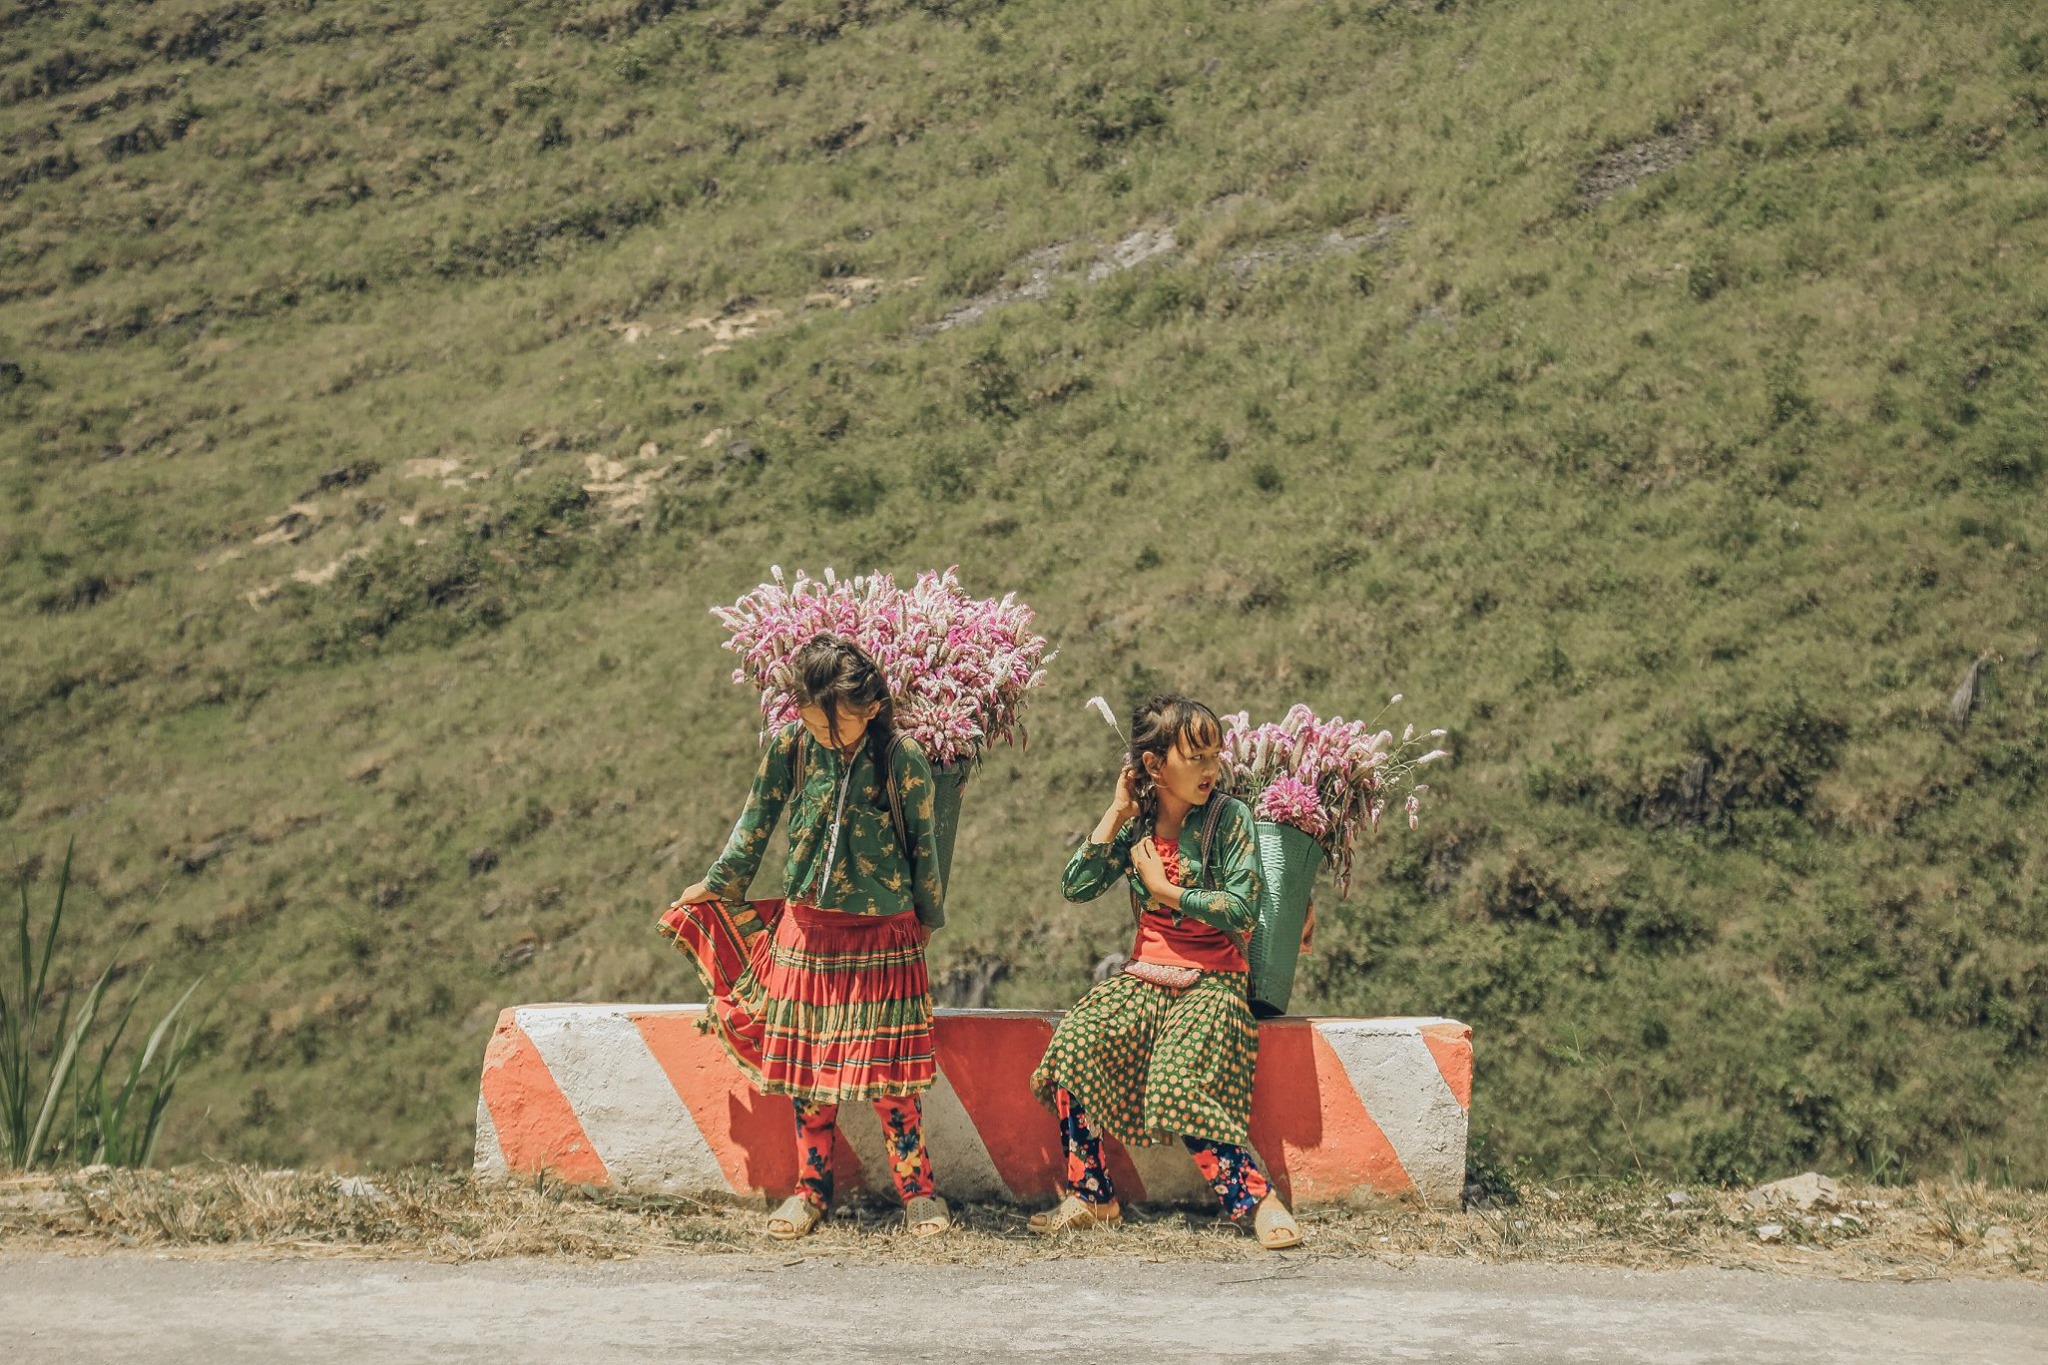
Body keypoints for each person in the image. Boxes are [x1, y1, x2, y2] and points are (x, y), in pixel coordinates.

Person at [663, 634, 950, 1240]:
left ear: (871, 706)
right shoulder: (792, 747)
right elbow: (756, 821)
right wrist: (716, 884)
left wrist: (924, 923)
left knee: (891, 1081)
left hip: (883, 938)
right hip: (806, 935)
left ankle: (919, 1193)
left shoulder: (902, 758)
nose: (828, 737)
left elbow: (925, 849)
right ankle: (809, 1192)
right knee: (807, 1078)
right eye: (816, 723)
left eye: (837, 725)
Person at [1028, 694, 1302, 1249]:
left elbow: (1242, 907)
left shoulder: (1229, 819)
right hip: (1143, 976)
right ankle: (1092, 1195)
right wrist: (1118, 811)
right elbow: (1076, 886)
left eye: (1215, 756)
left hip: (1214, 980)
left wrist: (1165, 891)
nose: (1211, 769)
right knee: (1075, 1044)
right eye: (1196, 757)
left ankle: (1256, 1200)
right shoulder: (1139, 825)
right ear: (1154, 766)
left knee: (1178, 1079)